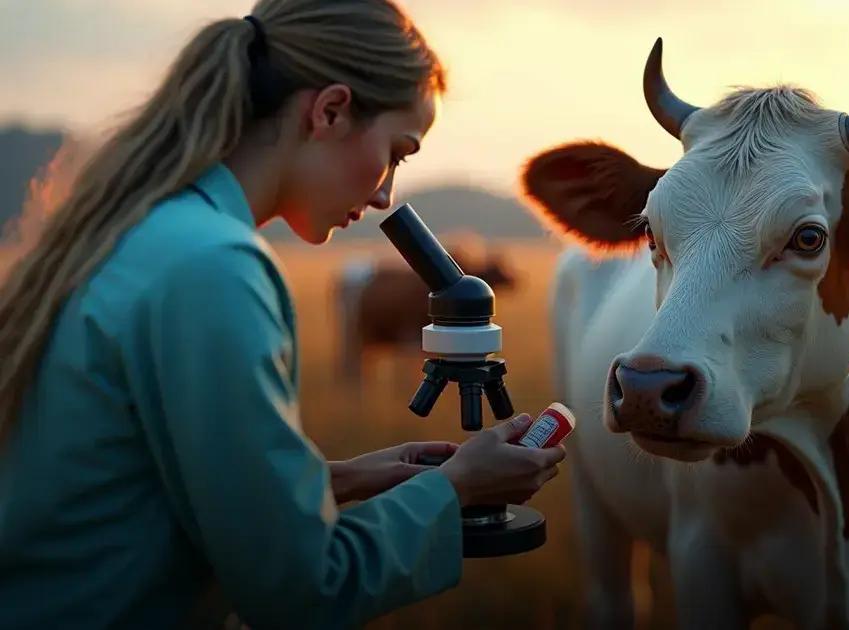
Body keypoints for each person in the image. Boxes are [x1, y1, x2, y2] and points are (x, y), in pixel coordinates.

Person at [0, 1, 566, 628]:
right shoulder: (215, 268)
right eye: (397, 152)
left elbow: (133, 496)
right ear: (328, 111)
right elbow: (299, 589)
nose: (386, 194)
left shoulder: (147, 231)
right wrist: (454, 488)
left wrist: (342, 478)